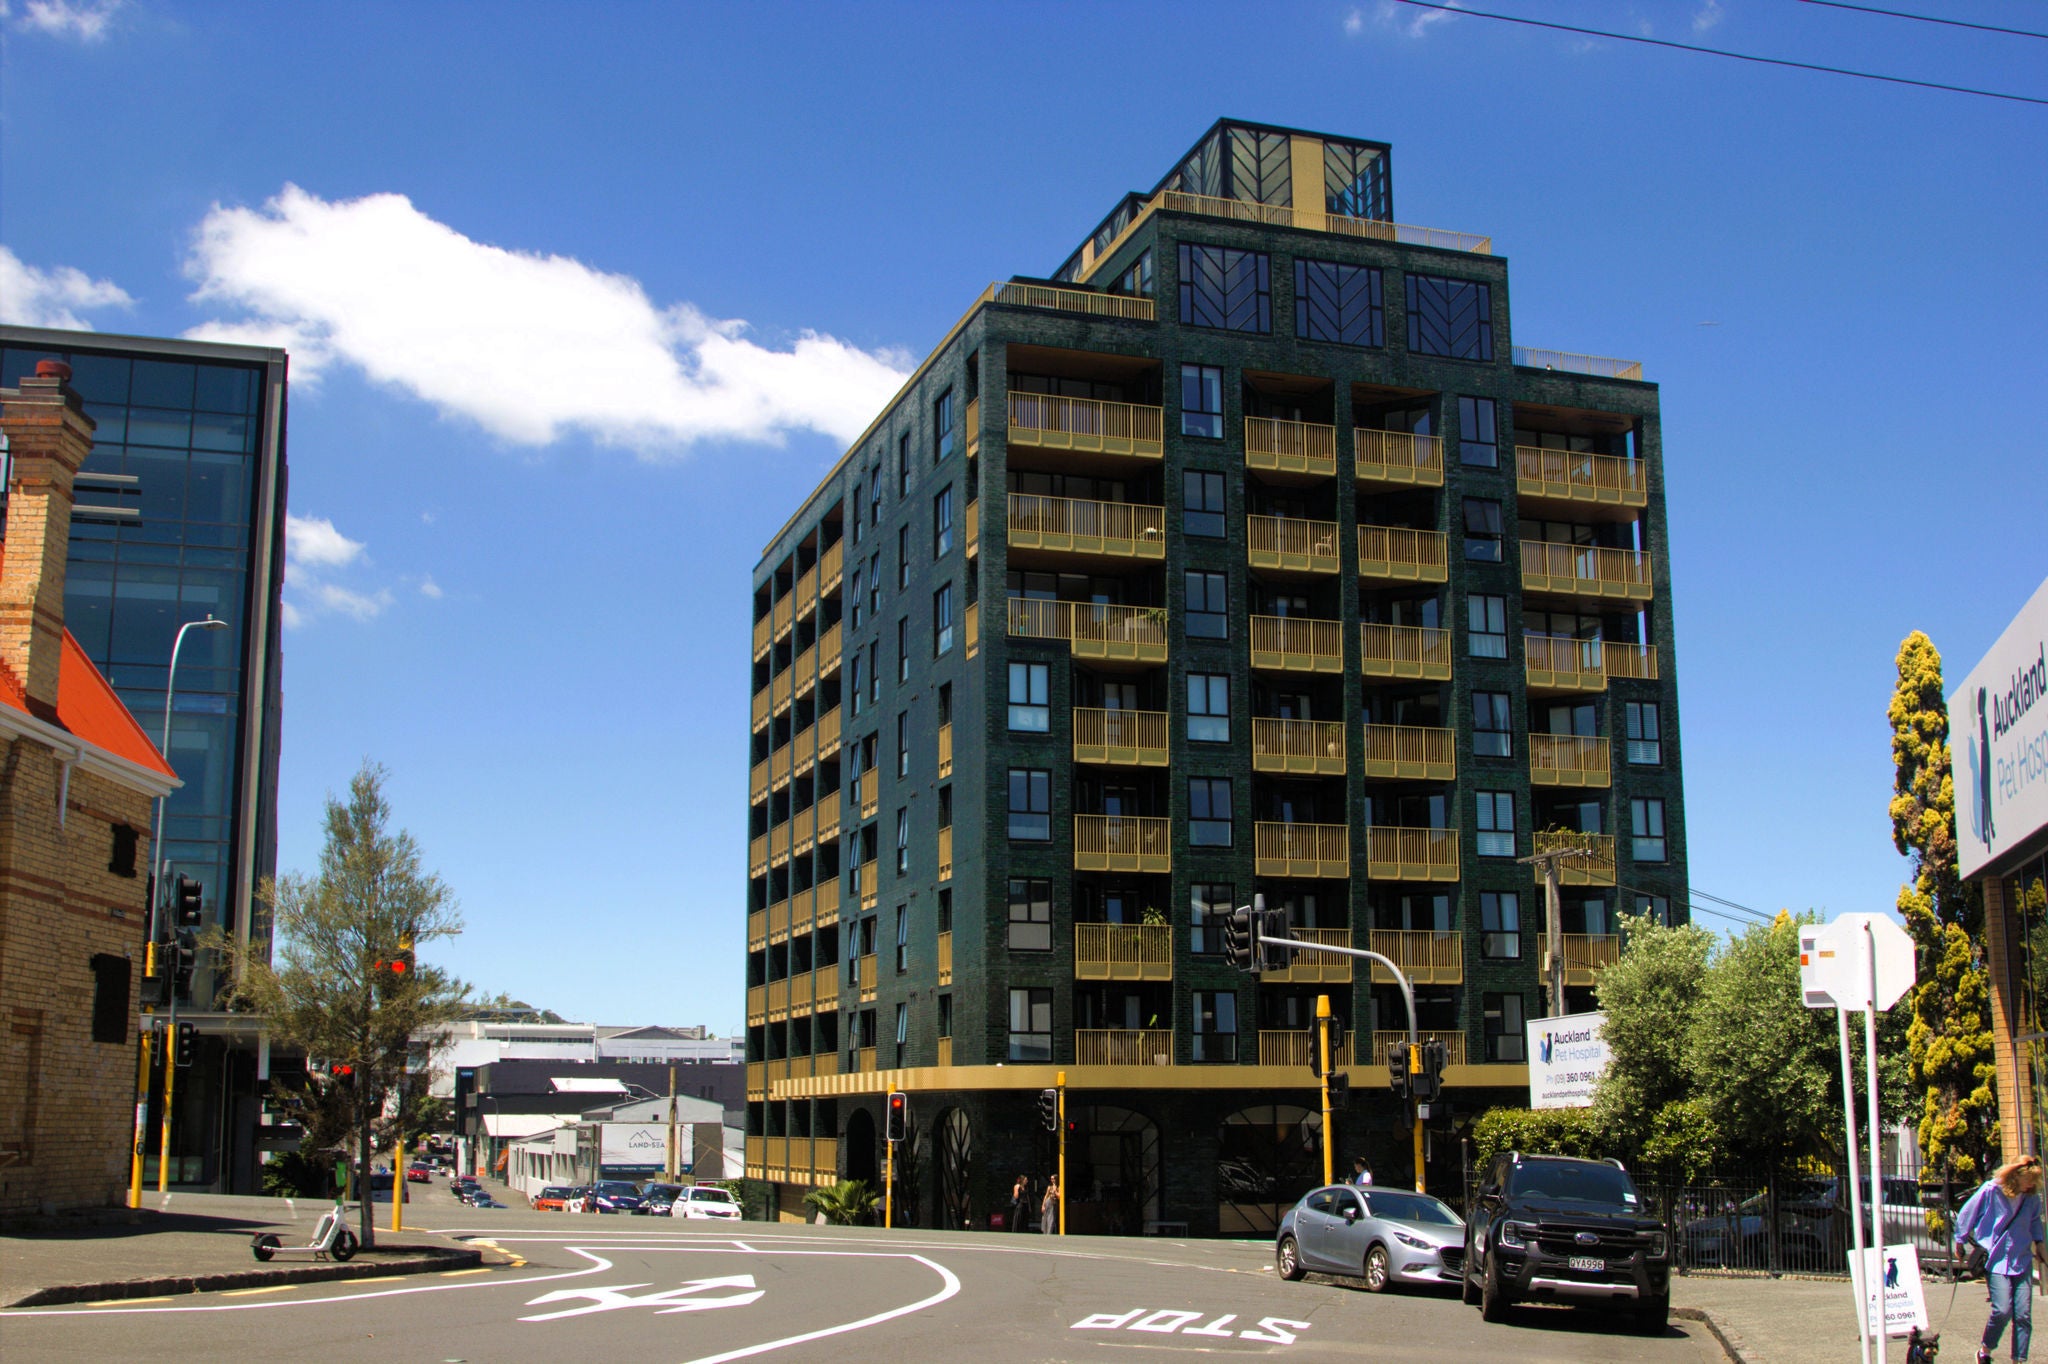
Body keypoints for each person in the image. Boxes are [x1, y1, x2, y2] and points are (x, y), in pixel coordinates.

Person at [1955, 1153, 2046, 1364]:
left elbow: (2034, 1222)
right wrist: (1960, 1240)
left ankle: (2019, 1360)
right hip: (1996, 1260)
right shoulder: (1991, 1190)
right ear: (2016, 1175)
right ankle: (1985, 1351)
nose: (2031, 1185)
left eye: (2035, 1181)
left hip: (2021, 1259)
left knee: (2023, 1315)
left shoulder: (2031, 1198)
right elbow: (1967, 1213)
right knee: (2002, 1310)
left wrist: (2040, 1243)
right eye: (2028, 1180)